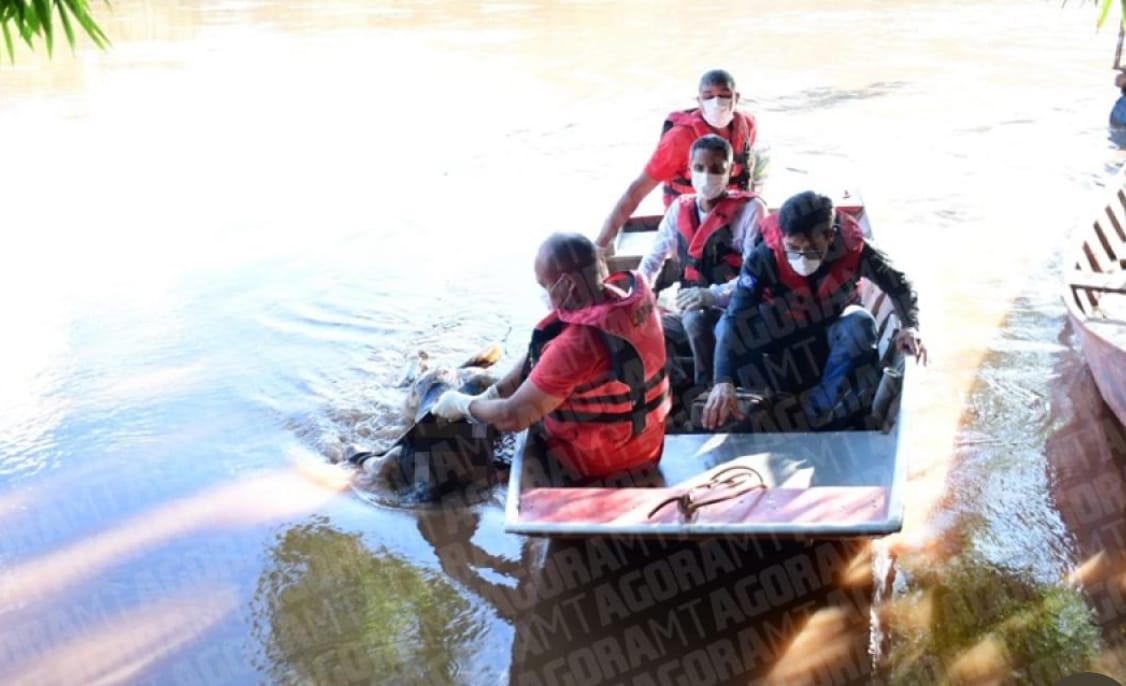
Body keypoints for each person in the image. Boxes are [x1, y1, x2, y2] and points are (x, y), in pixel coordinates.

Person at [432, 232, 670, 481]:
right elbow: (547, 350)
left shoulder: (576, 345)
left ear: (568, 284)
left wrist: (463, 405)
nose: (544, 294)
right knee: (514, 404)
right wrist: (493, 393)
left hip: (603, 464)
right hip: (647, 447)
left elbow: (512, 417)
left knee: (509, 433)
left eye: (544, 286)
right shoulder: (628, 298)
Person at [701, 190, 927, 431]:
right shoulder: (764, 255)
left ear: (830, 236)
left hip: (826, 337)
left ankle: (816, 415)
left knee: (861, 323)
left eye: (810, 249)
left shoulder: (856, 251)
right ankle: (745, 398)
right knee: (725, 326)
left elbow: (900, 285)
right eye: (793, 247)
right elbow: (736, 315)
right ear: (783, 238)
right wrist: (722, 380)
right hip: (777, 335)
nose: (800, 256)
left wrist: (910, 325)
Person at [638, 134, 767, 394]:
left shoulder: (751, 210)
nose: (707, 176)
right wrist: (637, 293)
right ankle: (669, 387)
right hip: (688, 303)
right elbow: (653, 260)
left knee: (696, 321)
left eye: (717, 169)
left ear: (730, 171)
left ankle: (705, 390)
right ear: (689, 168)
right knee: (641, 329)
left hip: (736, 307)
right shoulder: (680, 208)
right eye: (699, 168)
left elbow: (754, 275)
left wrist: (711, 295)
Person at [594, 68, 758, 251]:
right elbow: (637, 191)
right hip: (689, 222)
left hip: (728, 215)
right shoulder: (678, 139)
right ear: (699, 102)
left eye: (724, 95)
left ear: (737, 98)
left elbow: (747, 172)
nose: (717, 102)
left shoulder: (747, 126)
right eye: (709, 96)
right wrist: (600, 244)